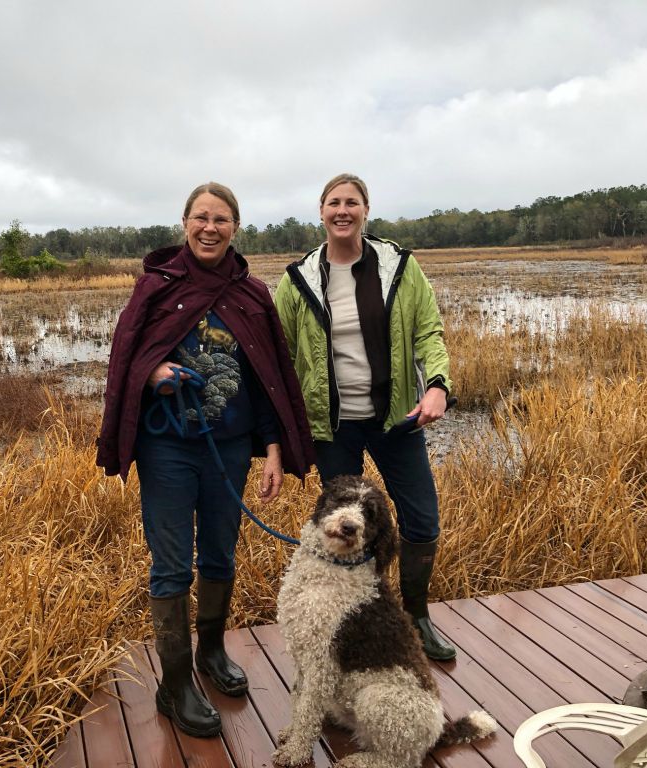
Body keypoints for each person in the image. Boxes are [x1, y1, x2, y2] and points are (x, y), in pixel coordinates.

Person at [97, 182, 314, 737]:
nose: (209, 227)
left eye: (221, 219)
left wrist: (271, 448)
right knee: (171, 565)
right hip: (167, 448)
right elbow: (127, 358)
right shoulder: (156, 287)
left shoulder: (254, 295)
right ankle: (175, 684)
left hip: (232, 448)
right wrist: (153, 374)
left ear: (235, 228)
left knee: (219, 555)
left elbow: (268, 376)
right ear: (185, 223)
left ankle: (212, 654)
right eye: (201, 218)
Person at [273, 172, 457, 661]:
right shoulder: (297, 281)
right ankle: (353, 621)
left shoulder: (400, 267)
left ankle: (416, 617)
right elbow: (280, 355)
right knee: (345, 529)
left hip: (395, 419)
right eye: (333, 202)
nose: (342, 210)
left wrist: (437, 386)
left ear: (365, 210)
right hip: (332, 428)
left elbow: (429, 333)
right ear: (321, 211)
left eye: (351, 202)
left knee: (421, 517)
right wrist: (277, 429)